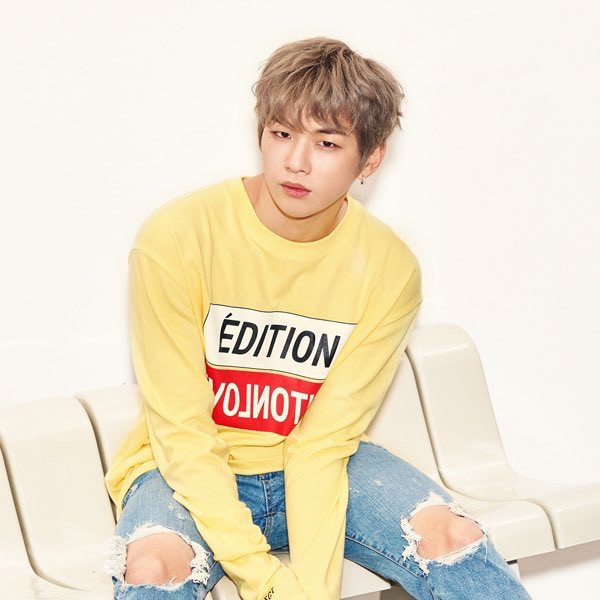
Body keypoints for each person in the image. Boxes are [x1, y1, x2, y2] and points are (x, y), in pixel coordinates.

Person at [103, 37, 532, 600]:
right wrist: (264, 581)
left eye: (327, 143)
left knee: (452, 536)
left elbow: (322, 443)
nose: (296, 162)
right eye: (281, 134)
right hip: (184, 468)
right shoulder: (176, 238)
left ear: (370, 159)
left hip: (325, 464)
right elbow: (183, 431)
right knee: (155, 568)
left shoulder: (388, 268)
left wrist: (312, 590)